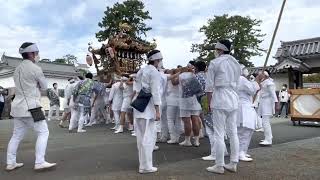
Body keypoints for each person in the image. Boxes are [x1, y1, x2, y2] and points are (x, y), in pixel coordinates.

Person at [6, 42, 56, 171]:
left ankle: (10, 162)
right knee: (43, 132)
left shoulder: (16, 69)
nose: (37, 56)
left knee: (16, 136)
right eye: (36, 53)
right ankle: (39, 162)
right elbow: (44, 86)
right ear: (31, 53)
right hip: (32, 107)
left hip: (17, 107)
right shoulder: (35, 68)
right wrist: (37, 85)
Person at [206, 40, 241, 174]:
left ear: (219, 50)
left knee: (219, 133)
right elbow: (237, 83)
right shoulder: (235, 63)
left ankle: (219, 165)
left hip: (220, 97)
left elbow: (209, 87)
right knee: (233, 132)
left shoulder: (215, 63)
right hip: (233, 97)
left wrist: (209, 103)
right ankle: (233, 163)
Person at [133, 49, 161, 174]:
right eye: (160, 60)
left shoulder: (142, 70)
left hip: (139, 105)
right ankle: (146, 166)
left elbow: (136, 83)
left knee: (140, 138)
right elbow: (155, 92)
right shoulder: (154, 72)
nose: (160, 62)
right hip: (148, 107)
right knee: (148, 138)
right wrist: (157, 110)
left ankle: (143, 165)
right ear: (156, 60)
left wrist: (140, 91)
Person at [237, 65, 260, 162]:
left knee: (242, 131)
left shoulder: (236, 79)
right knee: (245, 131)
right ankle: (240, 152)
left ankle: (242, 151)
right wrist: (257, 80)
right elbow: (252, 90)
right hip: (244, 107)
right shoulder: (241, 79)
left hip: (241, 106)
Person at [177, 66, 202, 147]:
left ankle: (187, 140)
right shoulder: (194, 75)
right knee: (195, 120)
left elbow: (174, 82)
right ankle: (196, 140)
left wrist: (179, 72)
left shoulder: (181, 75)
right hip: (195, 100)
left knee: (187, 121)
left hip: (184, 101)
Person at [258, 70, 278, 146]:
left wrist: (276, 104)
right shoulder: (263, 82)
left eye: (261, 75)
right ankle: (268, 137)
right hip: (263, 102)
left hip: (267, 102)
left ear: (265, 76)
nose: (259, 76)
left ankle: (268, 140)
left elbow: (273, 95)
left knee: (265, 122)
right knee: (264, 122)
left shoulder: (269, 83)